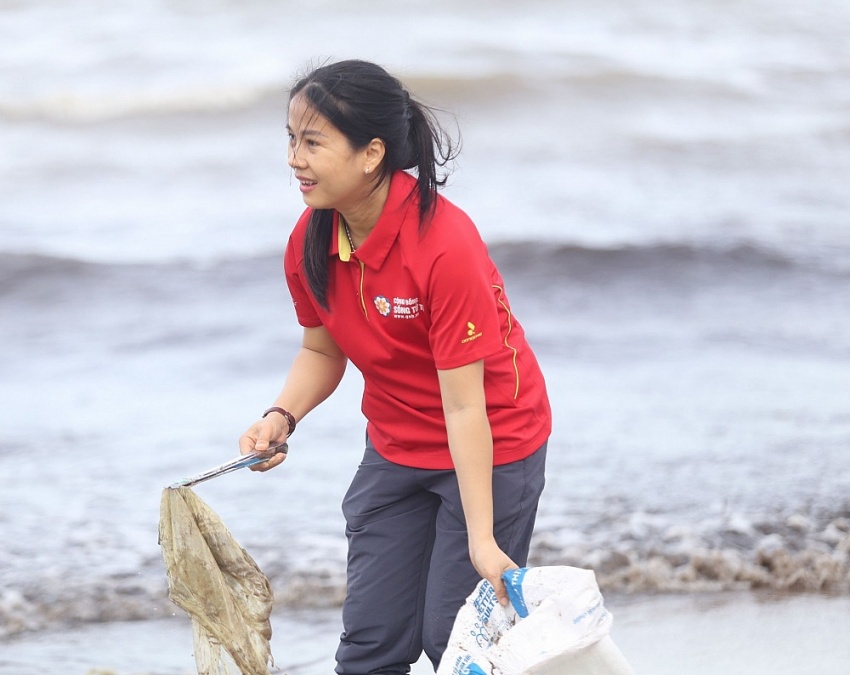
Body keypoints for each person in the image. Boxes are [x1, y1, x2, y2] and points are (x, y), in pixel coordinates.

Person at [239, 59, 551, 674]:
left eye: (313, 142)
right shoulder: (310, 240)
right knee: (370, 648)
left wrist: (483, 541)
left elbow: (466, 406)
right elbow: (322, 351)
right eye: (291, 140)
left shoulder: (444, 245)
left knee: (453, 638)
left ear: (371, 154)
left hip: (491, 440)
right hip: (396, 444)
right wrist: (282, 414)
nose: (294, 159)